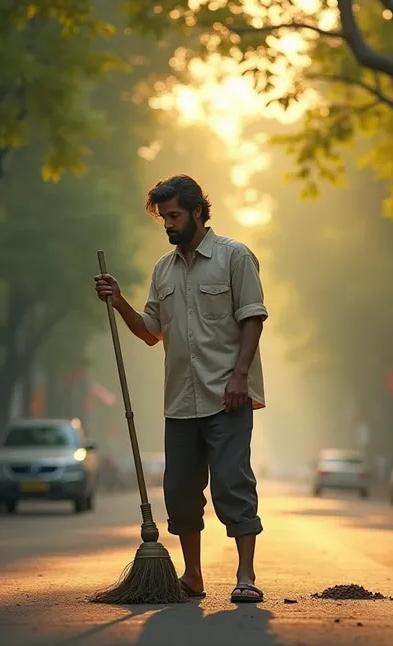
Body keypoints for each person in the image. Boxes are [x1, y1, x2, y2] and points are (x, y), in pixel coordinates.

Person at [94, 174, 268, 603]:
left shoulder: (234, 257)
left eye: (173, 215)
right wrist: (118, 301)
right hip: (180, 403)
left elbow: (252, 317)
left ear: (196, 211)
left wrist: (241, 376)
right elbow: (151, 332)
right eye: (163, 218)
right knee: (180, 493)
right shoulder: (163, 270)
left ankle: (245, 575)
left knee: (232, 484)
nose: (168, 224)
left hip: (228, 397)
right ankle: (193, 575)